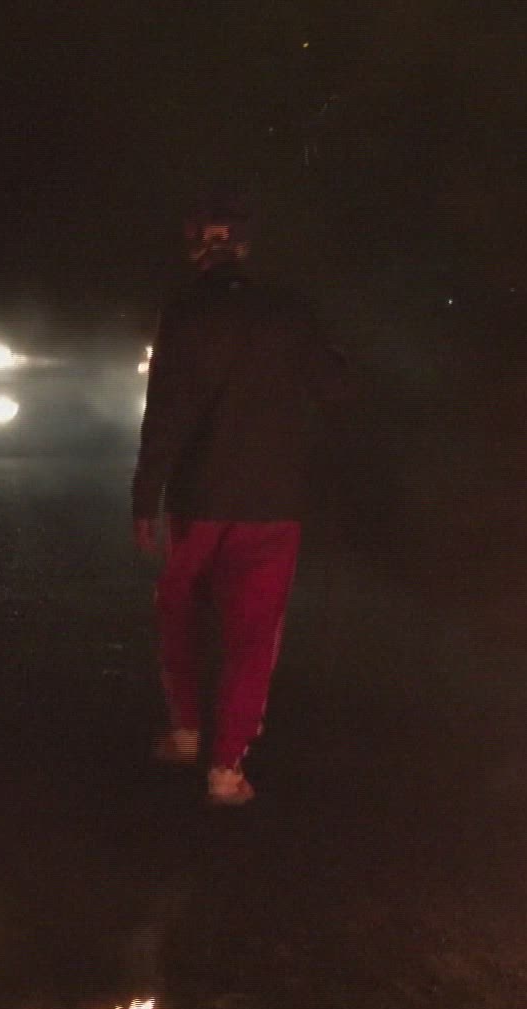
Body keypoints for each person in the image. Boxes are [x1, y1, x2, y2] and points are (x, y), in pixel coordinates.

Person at [133, 200, 345, 806]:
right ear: (245, 248)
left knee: (181, 613)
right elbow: (337, 388)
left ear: (196, 249)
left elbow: (164, 412)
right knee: (253, 638)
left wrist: (145, 496)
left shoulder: (183, 312)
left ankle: (186, 728)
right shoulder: (288, 310)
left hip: (198, 497)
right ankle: (226, 767)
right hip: (274, 501)